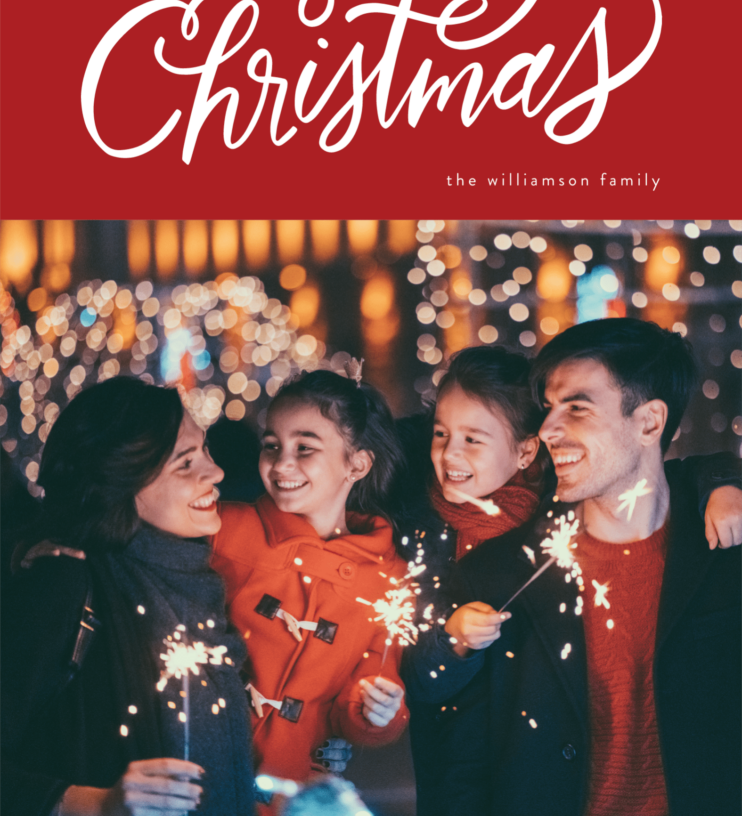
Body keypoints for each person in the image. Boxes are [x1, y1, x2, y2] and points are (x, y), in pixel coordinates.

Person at [401, 336, 742, 816]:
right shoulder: (495, 574)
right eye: (547, 408)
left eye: (577, 409)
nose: (548, 429)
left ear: (649, 422)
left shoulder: (725, 548)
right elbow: (460, 765)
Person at [0, 377, 255, 816]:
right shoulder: (65, 585)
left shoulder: (198, 581)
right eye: (184, 464)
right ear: (123, 485)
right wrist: (94, 803)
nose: (215, 473)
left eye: (205, 451)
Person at [209, 366, 410, 795]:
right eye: (271, 445)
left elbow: (364, 691)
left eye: (305, 448)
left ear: (356, 464)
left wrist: (378, 711)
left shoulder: (389, 578)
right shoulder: (225, 529)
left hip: (293, 792)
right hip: (206, 777)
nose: (282, 463)